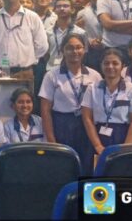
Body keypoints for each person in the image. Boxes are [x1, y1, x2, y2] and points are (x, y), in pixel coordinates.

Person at [40, 33, 102, 165]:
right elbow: (45, 110)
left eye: (78, 47)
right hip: (62, 125)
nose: (75, 51)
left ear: (84, 49)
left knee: (86, 165)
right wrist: (51, 139)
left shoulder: (94, 75)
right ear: (62, 50)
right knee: (64, 165)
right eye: (70, 48)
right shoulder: (52, 75)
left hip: (87, 125)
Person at [82, 48, 132, 160]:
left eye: (115, 63)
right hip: (96, 136)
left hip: (123, 136)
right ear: (101, 65)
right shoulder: (92, 88)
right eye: (106, 63)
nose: (110, 66)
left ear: (122, 66)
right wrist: (97, 145)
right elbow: (87, 118)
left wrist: (125, 148)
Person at [45, 0, 86, 72]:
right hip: (51, 70)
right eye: (58, 6)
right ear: (54, 10)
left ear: (73, 10)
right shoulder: (48, 32)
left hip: (74, 70)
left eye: (66, 6)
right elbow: (46, 54)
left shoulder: (80, 32)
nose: (62, 8)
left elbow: (84, 53)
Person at [75, 0, 105, 68]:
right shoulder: (81, 13)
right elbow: (78, 35)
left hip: (112, 53)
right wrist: (89, 41)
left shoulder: (114, 7)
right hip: (91, 57)